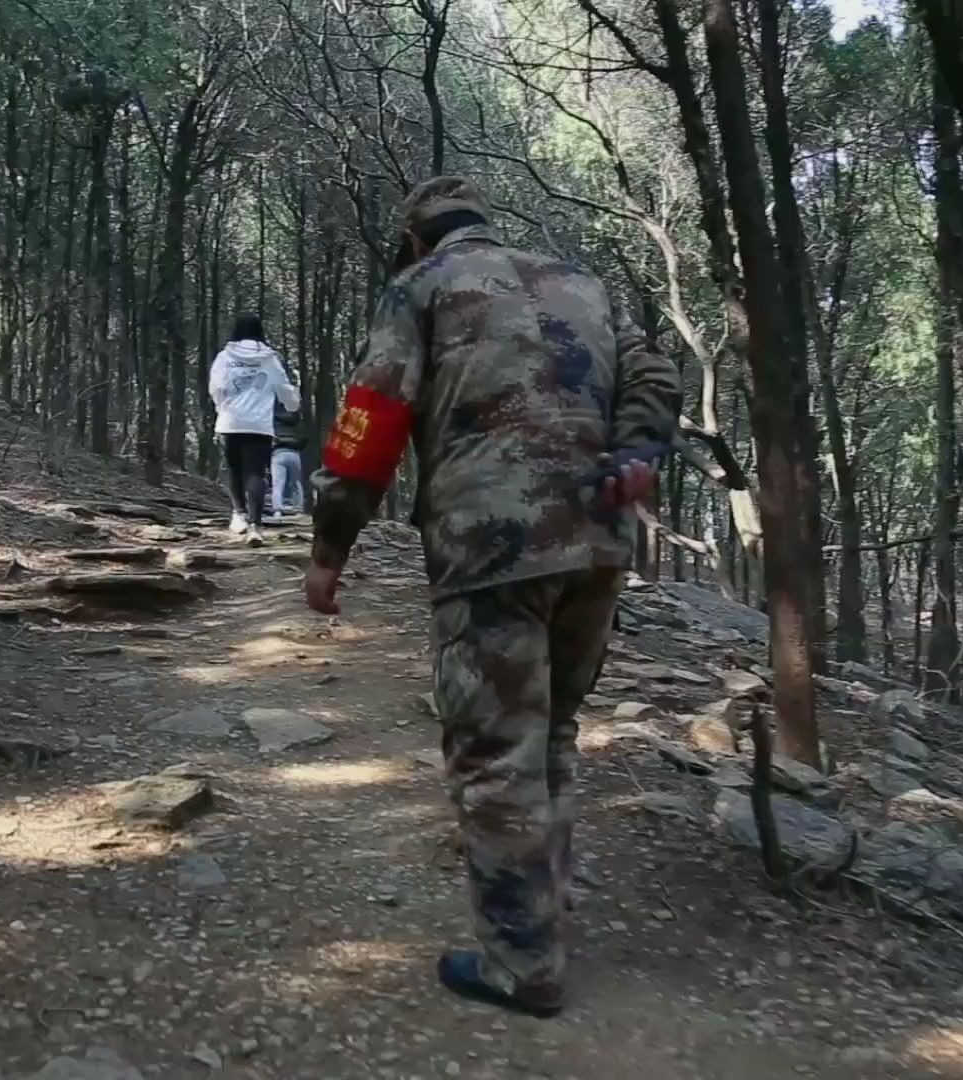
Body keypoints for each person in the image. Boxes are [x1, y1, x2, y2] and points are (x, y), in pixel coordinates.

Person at [304, 177, 674, 1018]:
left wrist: (328, 552)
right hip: (597, 540)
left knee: (496, 751)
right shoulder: (582, 281)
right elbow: (654, 370)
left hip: (492, 544)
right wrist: (636, 447)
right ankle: (547, 902)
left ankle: (522, 964)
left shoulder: (421, 287)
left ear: (416, 237)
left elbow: (370, 419)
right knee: (554, 732)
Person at [210, 313, 299, 545]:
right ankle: (256, 526)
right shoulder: (269, 358)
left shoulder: (224, 357)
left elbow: (216, 387)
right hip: (259, 424)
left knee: (234, 469)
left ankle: (238, 515)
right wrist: (292, 404)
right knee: (256, 473)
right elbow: (284, 388)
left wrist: (222, 408)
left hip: (230, 421)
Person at [270, 397, 307, 518]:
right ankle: (299, 510)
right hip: (294, 453)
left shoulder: (273, 418)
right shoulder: (297, 419)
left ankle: (278, 511)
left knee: (278, 483)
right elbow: (304, 438)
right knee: (296, 483)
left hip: (278, 453)